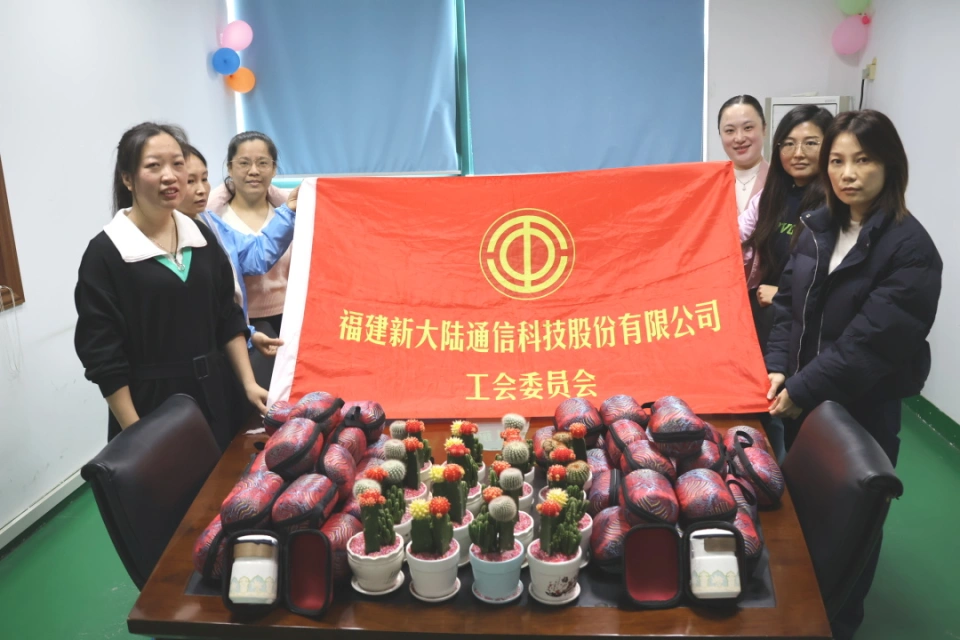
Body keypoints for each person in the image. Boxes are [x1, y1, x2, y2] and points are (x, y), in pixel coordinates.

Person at [765, 110, 942, 639]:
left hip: (862, 406)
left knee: (852, 526)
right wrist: (778, 366)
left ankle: (839, 622)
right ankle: (798, 609)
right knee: (803, 509)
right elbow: (788, 305)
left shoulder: (910, 249)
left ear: (890, 165)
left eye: (863, 160)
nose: (848, 174)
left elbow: (871, 342)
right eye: (838, 161)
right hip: (804, 398)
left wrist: (802, 387)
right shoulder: (817, 227)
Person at [74, 123, 268, 450]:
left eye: (178, 164)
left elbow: (226, 316)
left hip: (219, 392)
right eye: (154, 166)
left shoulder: (200, 236)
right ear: (127, 178)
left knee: (230, 478)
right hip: (153, 406)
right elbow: (103, 356)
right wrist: (136, 432)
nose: (170, 176)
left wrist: (249, 383)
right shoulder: (106, 253)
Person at [178, 145, 299, 368]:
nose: (201, 189)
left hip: (232, 342)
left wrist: (288, 211)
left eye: (204, 179)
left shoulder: (208, 222)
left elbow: (255, 255)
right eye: (190, 181)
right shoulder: (190, 226)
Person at [740, 105, 834, 352]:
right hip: (768, 316)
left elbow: (839, 277)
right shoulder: (769, 197)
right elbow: (734, 236)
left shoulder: (837, 204)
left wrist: (785, 294)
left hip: (809, 327)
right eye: (789, 144)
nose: (798, 153)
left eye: (811, 143)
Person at [207, 132, 290, 336]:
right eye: (244, 163)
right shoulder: (214, 218)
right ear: (230, 168)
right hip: (235, 321)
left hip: (289, 317)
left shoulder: (291, 214)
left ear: (274, 168)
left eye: (263, 163)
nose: (254, 171)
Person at [718, 94, 768, 213]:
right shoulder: (711, 185)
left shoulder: (781, 180)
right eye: (730, 130)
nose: (739, 138)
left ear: (764, 129)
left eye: (748, 128)